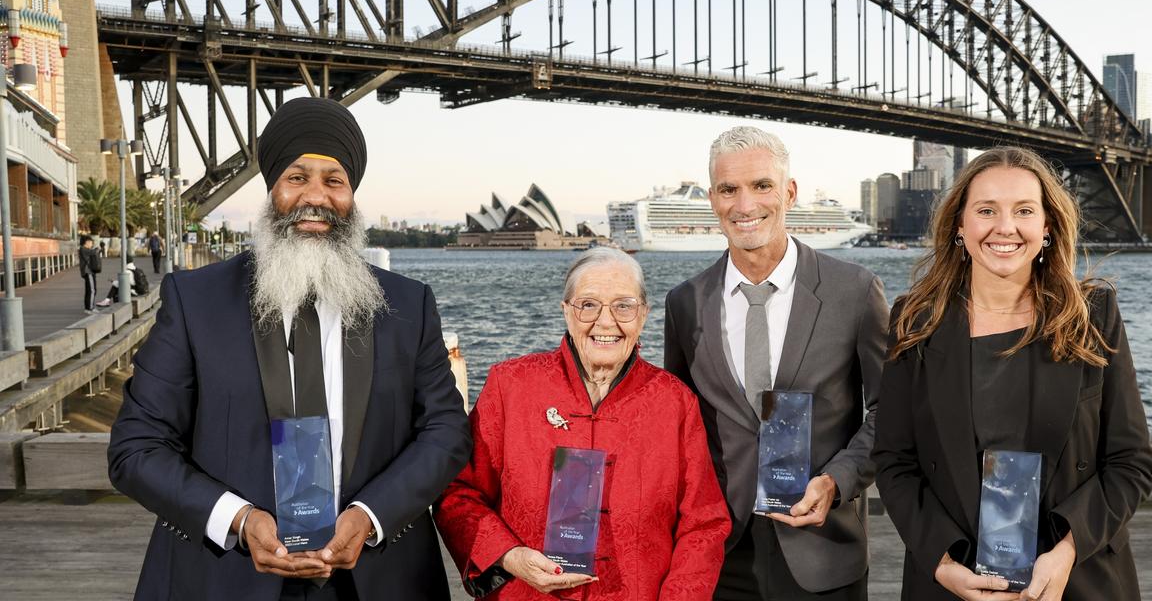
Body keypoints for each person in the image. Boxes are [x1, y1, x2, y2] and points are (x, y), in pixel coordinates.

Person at [108, 97, 472, 600]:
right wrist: (239, 518)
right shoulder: (195, 301)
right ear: (272, 187)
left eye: (334, 180)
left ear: (352, 196)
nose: (316, 197)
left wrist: (370, 516)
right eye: (297, 178)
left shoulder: (408, 305)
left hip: (376, 578)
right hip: (227, 577)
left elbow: (446, 430)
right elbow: (136, 448)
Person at [872, 147, 1152, 601]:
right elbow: (894, 462)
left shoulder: (1093, 315)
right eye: (986, 210)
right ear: (959, 227)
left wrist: (1067, 551)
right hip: (953, 582)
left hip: (1075, 580)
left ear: (1046, 227)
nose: (1005, 227)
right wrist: (943, 564)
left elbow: (1131, 463)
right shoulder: (915, 321)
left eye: (1023, 210)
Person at [664, 126, 889, 600]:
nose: (745, 205)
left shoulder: (854, 291)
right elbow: (679, 422)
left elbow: (891, 411)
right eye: (729, 189)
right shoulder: (685, 302)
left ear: (788, 192)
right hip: (721, 553)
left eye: (761, 186)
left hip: (823, 548)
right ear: (712, 199)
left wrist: (837, 481)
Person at [436, 247, 731, 600]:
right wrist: (509, 557)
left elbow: (704, 524)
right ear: (566, 311)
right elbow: (458, 493)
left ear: (643, 315)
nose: (606, 322)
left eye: (623, 306)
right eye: (588, 305)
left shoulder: (674, 401)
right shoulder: (510, 385)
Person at [78, 234, 100, 314]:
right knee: (92, 290)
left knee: (90, 290)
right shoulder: (83, 249)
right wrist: (98, 249)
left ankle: (88, 307)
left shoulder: (84, 249)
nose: (92, 244)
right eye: (91, 242)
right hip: (88, 272)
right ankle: (90, 308)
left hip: (90, 272)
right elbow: (94, 252)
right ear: (86, 242)